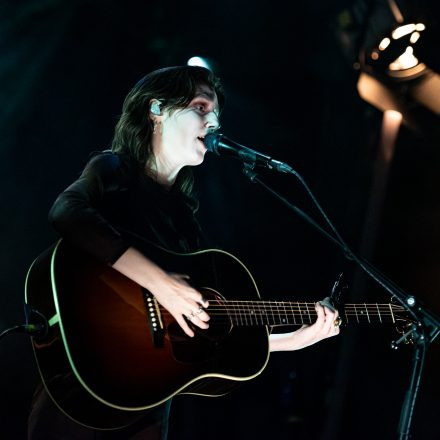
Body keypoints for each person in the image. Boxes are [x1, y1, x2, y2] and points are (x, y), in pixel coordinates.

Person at [27, 66, 340, 439]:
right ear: (157, 109)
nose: (213, 123)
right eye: (202, 107)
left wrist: (289, 342)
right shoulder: (115, 170)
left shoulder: (184, 221)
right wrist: (161, 284)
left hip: (147, 408)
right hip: (86, 385)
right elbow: (67, 212)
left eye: (217, 116)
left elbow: (202, 337)